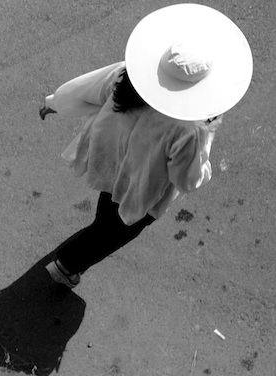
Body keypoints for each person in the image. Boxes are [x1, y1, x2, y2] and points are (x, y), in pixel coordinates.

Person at [39, 4, 253, 288]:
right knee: (114, 231)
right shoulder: (190, 129)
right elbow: (187, 179)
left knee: (107, 214)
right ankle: (66, 265)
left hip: (108, 163)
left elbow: (84, 90)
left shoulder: (128, 76)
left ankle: (75, 254)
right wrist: (208, 141)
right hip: (141, 188)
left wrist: (54, 103)